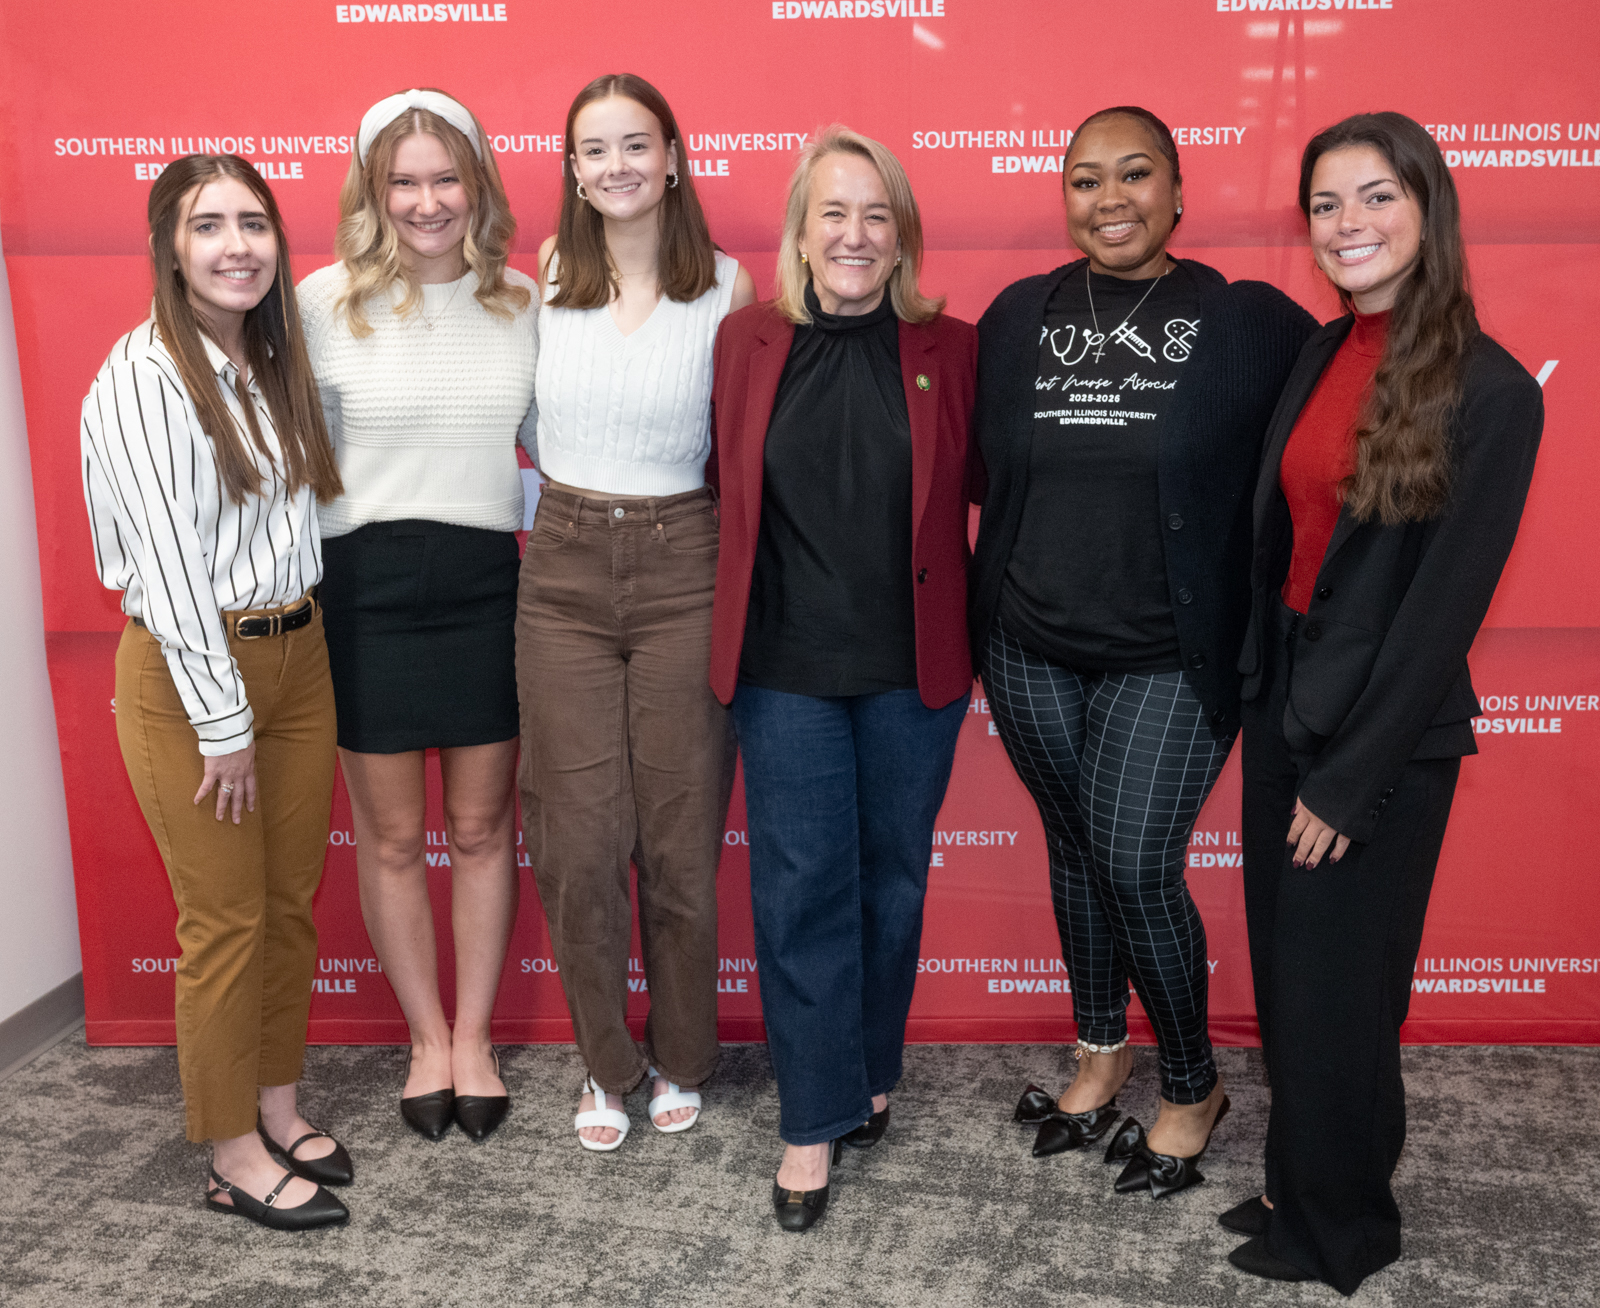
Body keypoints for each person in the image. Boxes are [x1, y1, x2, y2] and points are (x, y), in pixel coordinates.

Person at [967, 107, 1317, 1194]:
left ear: (1176, 191)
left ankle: (1189, 1082)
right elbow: (985, 474)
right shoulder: (1017, 315)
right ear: (1061, 196)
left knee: (1131, 861)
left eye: (1132, 176)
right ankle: (1099, 1049)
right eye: (1083, 180)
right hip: (1027, 641)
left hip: (1171, 654)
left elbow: (1302, 472)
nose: (1107, 199)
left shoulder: (1245, 320)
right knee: (1072, 850)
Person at [1223, 112, 1542, 1293]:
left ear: (1427, 210)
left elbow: (1436, 618)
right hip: (1283, 698)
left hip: (1379, 741)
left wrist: (1350, 779)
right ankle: (1301, 1186)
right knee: (1294, 986)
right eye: (1324, 205)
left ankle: (1343, 1229)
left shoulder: (1492, 391)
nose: (1346, 225)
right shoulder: (1321, 351)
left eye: (1373, 198)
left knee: (1339, 996)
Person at [708, 126, 978, 1231]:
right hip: (783, 672)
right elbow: (714, 494)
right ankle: (810, 1121)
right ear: (800, 231)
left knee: (892, 883)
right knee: (799, 890)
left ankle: (869, 1064)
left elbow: (993, 499)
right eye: (834, 213)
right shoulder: (744, 341)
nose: (855, 235)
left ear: (901, 233)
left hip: (913, 671)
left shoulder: (953, 349)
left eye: (876, 214)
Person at [83, 155, 350, 1229]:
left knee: (287, 908)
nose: (237, 245)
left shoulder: (271, 359)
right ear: (170, 247)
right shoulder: (144, 375)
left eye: (254, 222)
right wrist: (224, 724)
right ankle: (231, 1152)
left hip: (300, 654)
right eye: (209, 226)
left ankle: (278, 1105)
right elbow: (175, 568)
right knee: (227, 920)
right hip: (198, 677)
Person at [518, 73, 755, 1152]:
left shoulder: (731, 288)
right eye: (593, 149)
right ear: (572, 169)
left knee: (677, 836)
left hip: (684, 565)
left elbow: (746, 452)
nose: (614, 165)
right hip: (561, 566)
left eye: (634, 144)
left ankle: (688, 1054)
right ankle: (605, 1065)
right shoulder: (542, 278)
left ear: (672, 156)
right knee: (577, 841)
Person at [297, 89, 537, 1143]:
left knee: (483, 828)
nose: (427, 201)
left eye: (447, 177)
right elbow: (285, 469)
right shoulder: (315, 302)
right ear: (372, 191)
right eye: (404, 180)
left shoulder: (526, 302)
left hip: (490, 582)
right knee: (394, 839)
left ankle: (475, 1038)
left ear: (478, 184)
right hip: (364, 588)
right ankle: (424, 1040)